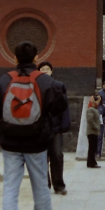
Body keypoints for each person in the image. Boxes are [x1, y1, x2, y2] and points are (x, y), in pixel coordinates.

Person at [0, 41, 68, 210]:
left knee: (10, 189)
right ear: (36, 59)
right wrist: (43, 119)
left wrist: (10, 124)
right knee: (40, 186)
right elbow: (60, 105)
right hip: (37, 142)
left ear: (15, 58)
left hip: (10, 142)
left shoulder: (4, 80)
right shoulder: (44, 81)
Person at [38, 61, 70, 196]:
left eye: (47, 69)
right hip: (39, 129)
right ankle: (45, 185)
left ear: (52, 71)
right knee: (41, 158)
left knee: (57, 155)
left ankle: (59, 185)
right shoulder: (35, 87)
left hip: (55, 128)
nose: (45, 71)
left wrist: (64, 125)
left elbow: (64, 107)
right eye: (42, 69)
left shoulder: (58, 86)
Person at [86, 94, 102, 169]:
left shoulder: (94, 110)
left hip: (94, 132)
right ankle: (91, 162)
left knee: (93, 147)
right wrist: (96, 127)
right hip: (92, 131)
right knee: (92, 147)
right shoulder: (90, 110)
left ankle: (91, 162)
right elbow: (90, 120)